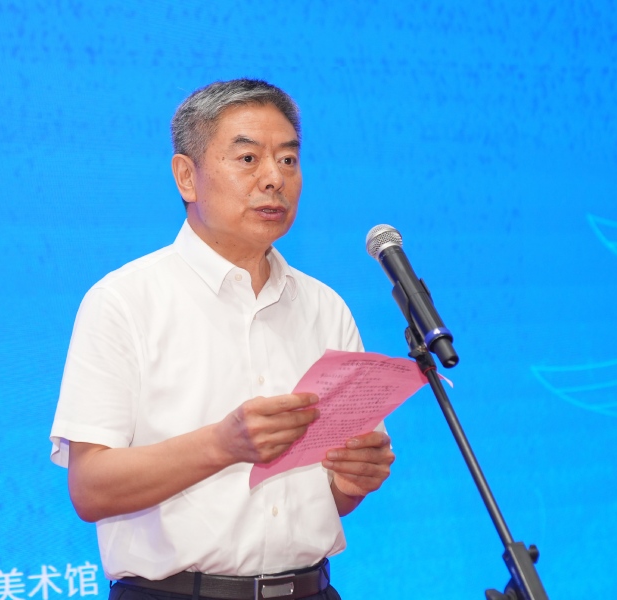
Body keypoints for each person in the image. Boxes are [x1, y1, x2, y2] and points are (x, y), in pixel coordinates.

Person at [50, 79, 395, 600]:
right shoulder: (124, 300)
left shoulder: (326, 308)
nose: (274, 179)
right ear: (186, 176)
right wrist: (221, 445)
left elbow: (332, 499)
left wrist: (352, 480)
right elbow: (90, 488)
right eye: (248, 158)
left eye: (287, 160)